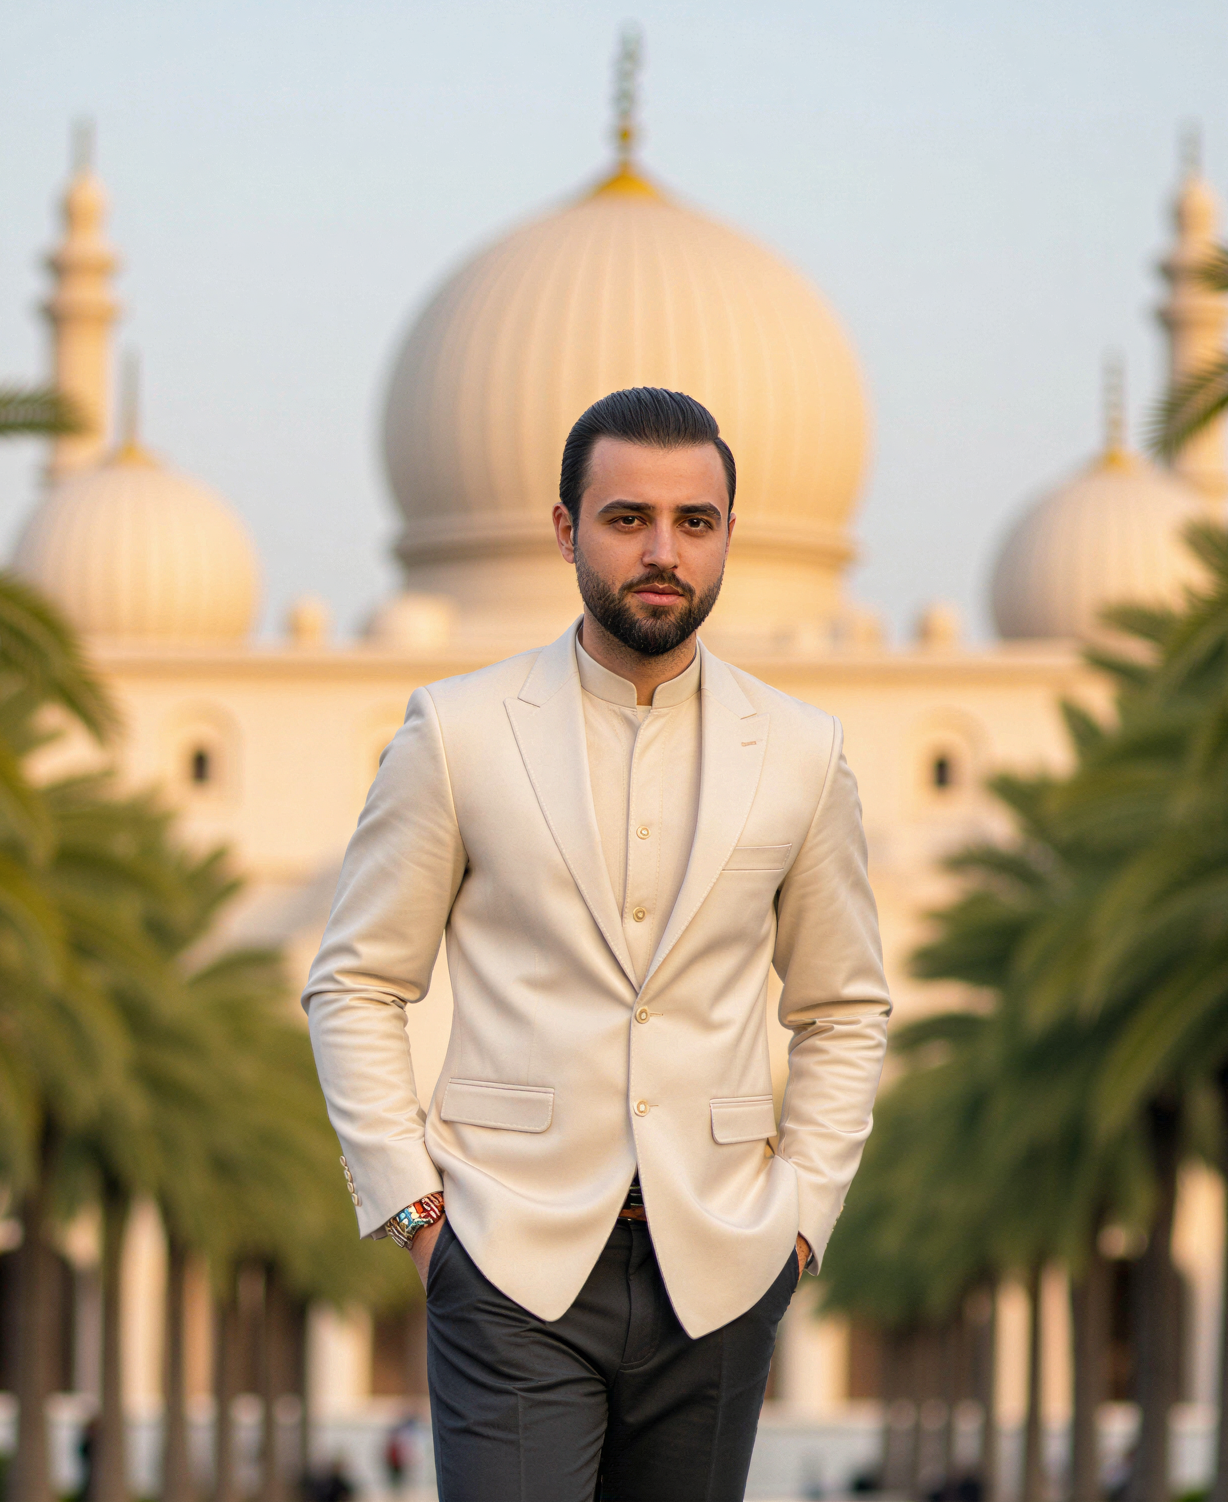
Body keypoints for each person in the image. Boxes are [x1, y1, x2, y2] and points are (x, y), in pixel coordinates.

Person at [307, 386, 891, 1502]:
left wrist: (799, 1222)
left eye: (694, 522)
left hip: (717, 1267)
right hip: (506, 1256)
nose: (663, 551)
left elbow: (842, 1006)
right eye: (627, 519)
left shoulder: (803, 754)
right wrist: (417, 1218)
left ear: (727, 536)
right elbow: (355, 982)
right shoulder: (458, 730)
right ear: (566, 528)